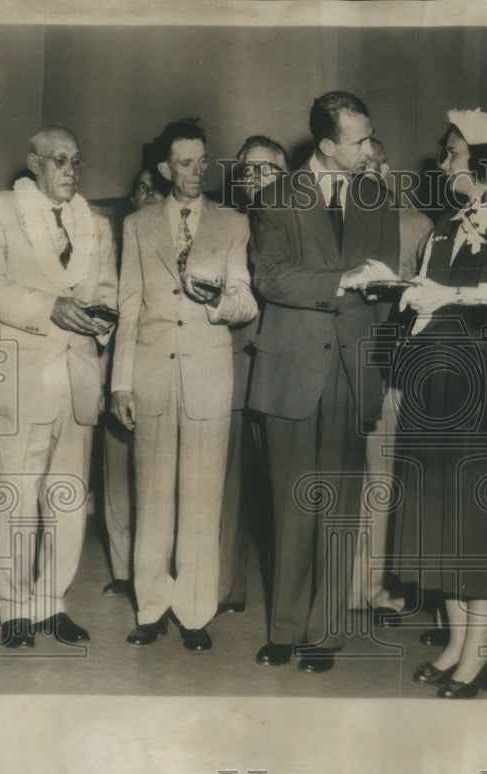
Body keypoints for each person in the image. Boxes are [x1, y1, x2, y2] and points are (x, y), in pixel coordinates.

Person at [248, 91, 400, 674]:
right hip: (292, 369)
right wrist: (343, 281)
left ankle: (325, 633)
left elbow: (383, 294)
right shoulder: (275, 198)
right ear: (328, 144)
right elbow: (272, 276)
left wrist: (376, 365)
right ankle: (285, 629)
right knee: (290, 506)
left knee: (339, 508)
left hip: (350, 370)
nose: (368, 149)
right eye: (359, 140)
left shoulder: (378, 200)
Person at [389, 109, 487, 698]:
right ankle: (454, 642)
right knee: (438, 512)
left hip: (482, 378)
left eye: (453, 153)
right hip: (436, 377)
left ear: (483, 161)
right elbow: (427, 301)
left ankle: (480, 655)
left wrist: (444, 294)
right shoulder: (444, 225)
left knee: (474, 519)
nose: (444, 162)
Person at [111, 118, 258, 652]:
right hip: (149, 375)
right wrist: (120, 384)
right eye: (185, 163)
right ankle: (150, 607)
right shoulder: (136, 224)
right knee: (152, 497)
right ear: (165, 168)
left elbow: (245, 299)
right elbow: (129, 307)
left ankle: (196, 613)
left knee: (201, 499)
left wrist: (215, 300)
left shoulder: (233, 223)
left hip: (207, 374)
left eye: (202, 161)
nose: (197, 172)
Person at [0, 124, 117, 647]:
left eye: (77, 160)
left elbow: (107, 290)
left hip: (77, 375)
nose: (71, 171)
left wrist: (103, 316)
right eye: (59, 160)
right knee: (14, 497)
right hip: (20, 375)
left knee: (68, 496)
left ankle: (50, 603)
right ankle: (13, 609)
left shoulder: (96, 223)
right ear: (33, 163)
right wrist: (50, 307)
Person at [348, 136, 432, 620]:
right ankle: (343, 584)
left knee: (382, 476)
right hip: (342, 364)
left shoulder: (416, 224)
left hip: (391, 367)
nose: (365, 176)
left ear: (386, 168)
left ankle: (378, 587)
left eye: (372, 166)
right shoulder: (336, 220)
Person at [215, 135, 290, 615]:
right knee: (230, 486)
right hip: (236, 366)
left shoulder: (299, 223)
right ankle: (227, 588)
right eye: (247, 170)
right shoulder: (226, 226)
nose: (254, 179)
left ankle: (287, 600)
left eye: (266, 170)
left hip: (286, 373)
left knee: (285, 491)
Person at [100, 166, 166, 600]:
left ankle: (155, 571)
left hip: (159, 365)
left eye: (156, 190)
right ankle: (123, 570)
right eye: (141, 187)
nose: (148, 195)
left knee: (156, 475)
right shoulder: (113, 239)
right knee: (117, 470)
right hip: (114, 360)